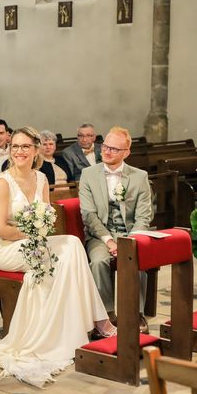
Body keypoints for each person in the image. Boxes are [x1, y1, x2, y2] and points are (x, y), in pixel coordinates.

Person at [0, 126, 116, 388]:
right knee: (60, 255)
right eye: (15, 146)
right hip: (6, 248)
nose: (19, 151)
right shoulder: (1, 183)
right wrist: (33, 233)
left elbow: (46, 218)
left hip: (35, 242)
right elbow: (0, 228)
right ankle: (84, 325)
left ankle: (77, 325)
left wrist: (41, 230)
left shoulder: (41, 179)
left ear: (36, 150)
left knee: (71, 244)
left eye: (25, 146)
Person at [79, 126, 153, 333]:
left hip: (130, 234)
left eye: (113, 149)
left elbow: (143, 216)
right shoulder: (88, 174)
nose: (107, 151)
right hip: (100, 235)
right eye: (105, 146)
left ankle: (135, 313)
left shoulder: (140, 177)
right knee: (99, 261)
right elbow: (89, 215)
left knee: (137, 259)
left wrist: (130, 241)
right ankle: (106, 314)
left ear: (126, 153)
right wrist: (109, 241)